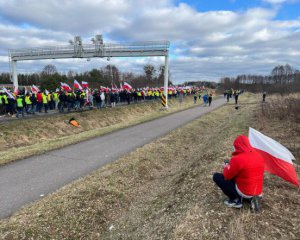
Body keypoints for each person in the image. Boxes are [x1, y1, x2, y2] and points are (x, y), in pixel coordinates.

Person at [213, 135, 264, 211]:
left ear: (238, 146)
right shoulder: (258, 155)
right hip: (257, 190)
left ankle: (235, 200)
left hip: (245, 191)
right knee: (244, 176)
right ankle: (253, 199)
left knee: (216, 176)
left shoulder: (237, 159)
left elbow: (227, 176)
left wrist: (226, 167)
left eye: (234, 146)